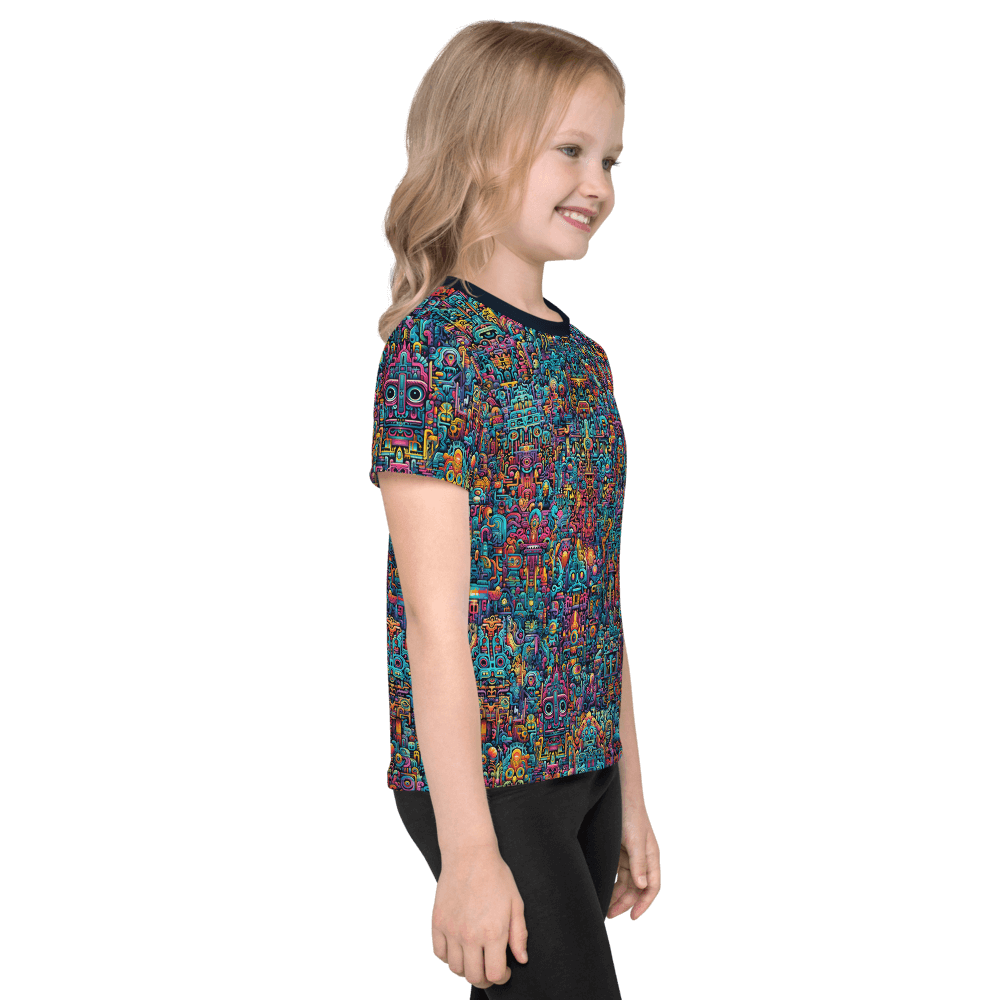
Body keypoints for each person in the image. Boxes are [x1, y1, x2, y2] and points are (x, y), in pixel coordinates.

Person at [370, 20, 658, 998]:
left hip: (587, 764)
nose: (598, 184)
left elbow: (598, 592)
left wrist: (631, 800)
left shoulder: (586, 362)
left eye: (609, 158)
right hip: (490, 784)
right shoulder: (436, 352)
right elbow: (432, 622)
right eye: (569, 149)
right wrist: (467, 852)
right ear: (479, 147)